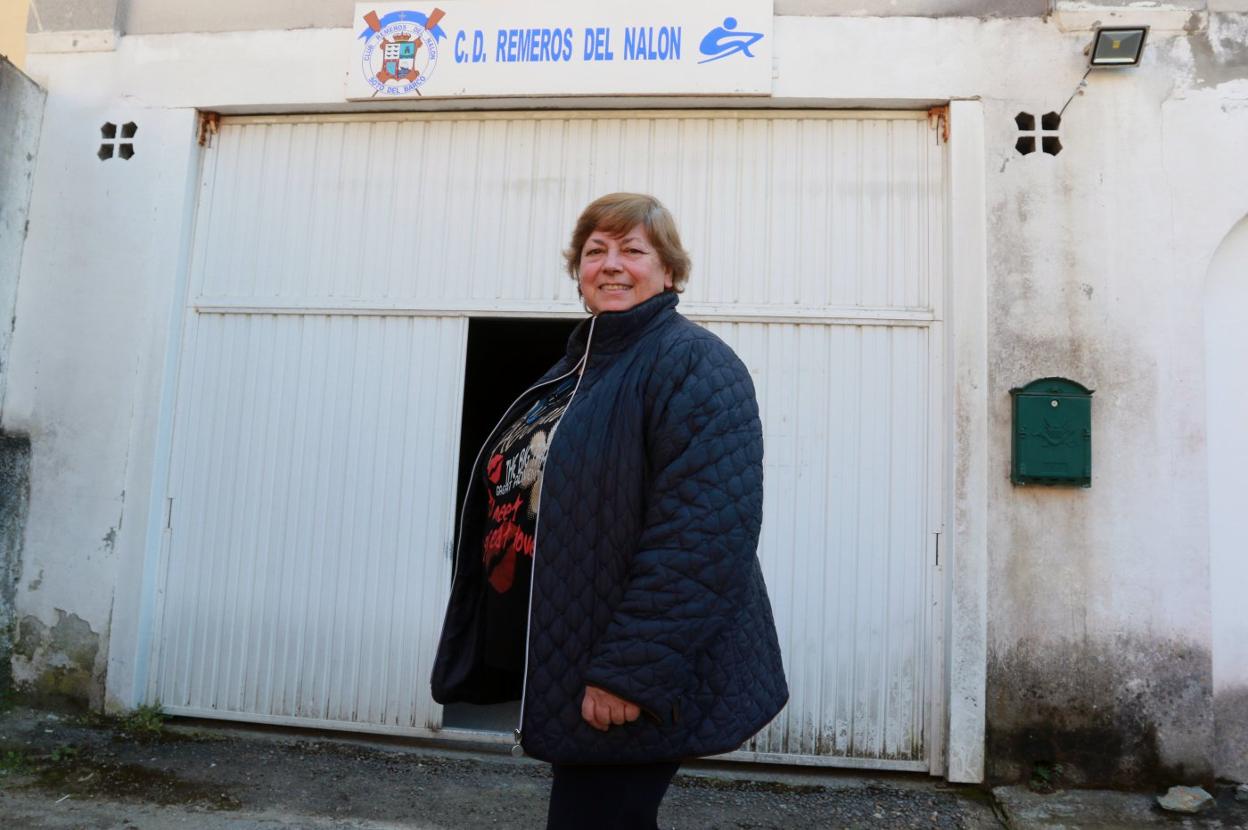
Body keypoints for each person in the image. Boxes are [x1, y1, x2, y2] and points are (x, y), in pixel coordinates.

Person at [430, 193, 788, 830]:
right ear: (578, 272)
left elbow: (702, 538)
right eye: (596, 251)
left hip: (636, 668)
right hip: (583, 655)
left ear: (670, 272)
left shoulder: (693, 363)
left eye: (633, 250)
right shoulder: (580, 367)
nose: (611, 264)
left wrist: (629, 675)